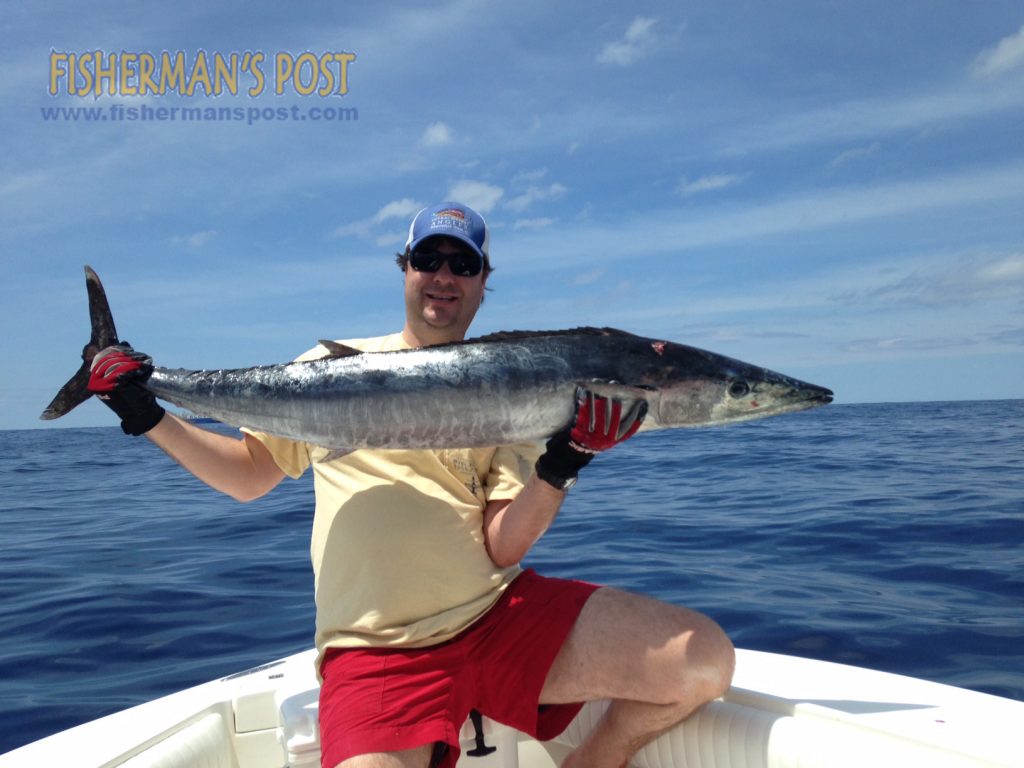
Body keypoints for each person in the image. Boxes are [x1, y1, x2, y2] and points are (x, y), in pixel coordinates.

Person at [87, 201, 735, 768]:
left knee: (702, 660)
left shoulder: (523, 393)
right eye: (430, 259)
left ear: (483, 283)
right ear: (406, 269)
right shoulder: (328, 368)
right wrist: (148, 414)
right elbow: (249, 478)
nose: (445, 276)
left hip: (494, 619)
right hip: (375, 654)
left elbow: (503, 546)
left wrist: (564, 462)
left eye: (464, 264)